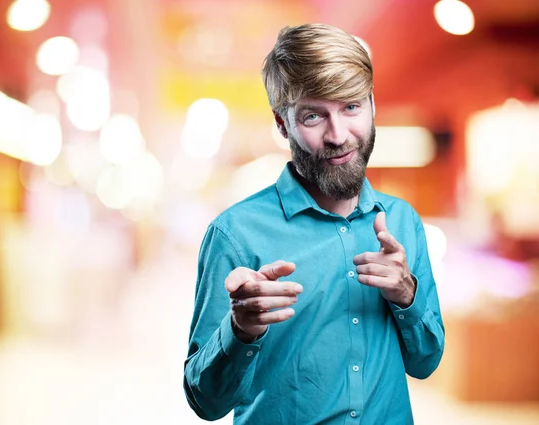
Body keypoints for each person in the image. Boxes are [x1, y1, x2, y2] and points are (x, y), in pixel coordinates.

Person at [183, 23, 445, 425]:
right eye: (313, 116)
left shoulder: (402, 222)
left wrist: (406, 296)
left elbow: (426, 362)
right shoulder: (235, 234)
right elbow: (206, 402)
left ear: (372, 103)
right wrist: (240, 330)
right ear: (282, 124)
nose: (338, 135)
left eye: (351, 107)